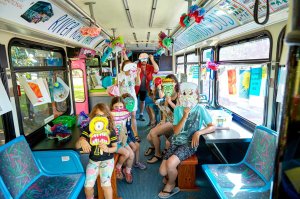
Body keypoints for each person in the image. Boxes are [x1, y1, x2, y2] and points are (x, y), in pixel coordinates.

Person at [158, 82, 215, 198]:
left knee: (170, 164)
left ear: (196, 96)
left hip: (189, 144)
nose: (188, 97)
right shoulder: (178, 109)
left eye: (191, 94)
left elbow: (212, 126)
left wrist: (199, 132)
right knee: (162, 172)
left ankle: (171, 183)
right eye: (184, 93)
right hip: (176, 141)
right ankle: (171, 175)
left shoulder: (200, 109)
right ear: (180, 95)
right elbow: (176, 132)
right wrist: (184, 116)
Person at [76, 103, 118, 199]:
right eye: (97, 115)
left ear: (107, 116)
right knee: (87, 186)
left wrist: (107, 149)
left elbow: (115, 148)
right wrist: (82, 140)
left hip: (107, 160)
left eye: (102, 115)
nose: (100, 118)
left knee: (106, 184)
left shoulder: (110, 130)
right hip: (93, 161)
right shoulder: (89, 128)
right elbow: (79, 143)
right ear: (93, 116)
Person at [145, 74, 180, 164]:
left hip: (177, 122)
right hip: (169, 120)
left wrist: (169, 102)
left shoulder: (180, 95)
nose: (168, 87)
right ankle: (155, 147)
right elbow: (165, 111)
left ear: (175, 84)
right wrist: (163, 120)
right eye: (166, 85)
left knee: (153, 133)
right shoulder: (167, 95)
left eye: (170, 84)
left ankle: (158, 154)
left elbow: (179, 112)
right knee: (149, 137)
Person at [110, 96, 135, 184]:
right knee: (127, 153)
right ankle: (118, 168)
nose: (119, 109)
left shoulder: (126, 115)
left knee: (132, 155)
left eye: (121, 107)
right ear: (112, 106)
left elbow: (127, 128)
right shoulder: (109, 116)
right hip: (114, 141)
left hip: (123, 139)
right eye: (116, 107)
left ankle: (127, 171)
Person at [117, 59, 141, 142]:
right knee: (124, 116)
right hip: (123, 98)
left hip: (132, 98)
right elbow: (116, 85)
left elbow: (138, 84)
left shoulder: (133, 74)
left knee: (133, 116)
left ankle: (136, 134)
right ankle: (123, 134)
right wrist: (121, 83)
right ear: (123, 67)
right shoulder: (120, 75)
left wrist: (138, 74)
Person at [122, 93, 147, 170]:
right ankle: (126, 165)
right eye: (127, 103)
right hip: (123, 137)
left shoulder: (129, 114)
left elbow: (130, 128)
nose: (130, 105)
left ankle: (136, 162)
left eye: (131, 103)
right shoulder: (121, 115)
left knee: (137, 145)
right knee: (134, 147)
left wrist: (135, 136)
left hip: (129, 135)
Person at [135, 53, 159, 122]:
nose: (144, 61)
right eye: (142, 59)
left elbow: (157, 69)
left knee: (142, 101)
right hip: (135, 87)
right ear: (140, 59)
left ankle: (141, 114)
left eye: (145, 59)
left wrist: (152, 59)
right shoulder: (136, 66)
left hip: (145, 88)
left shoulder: (150, 67)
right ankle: (132, 115)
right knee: (134, 101)